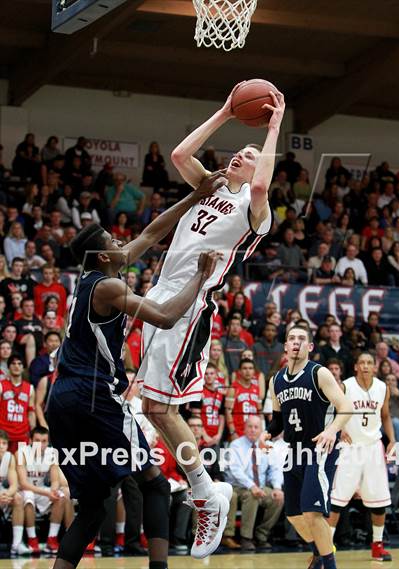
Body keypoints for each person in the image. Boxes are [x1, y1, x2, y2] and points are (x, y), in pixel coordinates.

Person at [46, 173, 225, 569]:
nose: (120, 243)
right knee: (155, 484)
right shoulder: (108, 288)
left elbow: (150, 232)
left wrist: (195, 196)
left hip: (60, 401)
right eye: (113, 241)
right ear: (105, 256)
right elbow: (162, 317)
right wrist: (199, 276)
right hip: (93, 397)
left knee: (92, 506)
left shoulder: (91, 279)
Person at [136, 85, 284, 559]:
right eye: (240, 151)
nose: (242, 155)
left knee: (161, 409)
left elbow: (261, 185)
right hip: (159, 294)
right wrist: (224, 112)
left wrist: (276, 123)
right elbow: (181, 153)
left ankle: (205, 494)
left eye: (251, 153)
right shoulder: (213, 187)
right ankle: (206, 491)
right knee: (154, 410)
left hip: (191, 303)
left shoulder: (253, 212)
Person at [264, 325, 352, 569]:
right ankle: (321, 550)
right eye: (291, 338)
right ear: (285, 346)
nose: (296, 342)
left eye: (302, 339)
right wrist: (266, 434)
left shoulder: (319, 373)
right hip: (294, 451)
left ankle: (327, 564)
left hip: (320, 449)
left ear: (310, 347)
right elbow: (278, 421)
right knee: (294, 515)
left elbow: (346, 407)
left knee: (313, 513)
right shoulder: (276, 381)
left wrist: (331, 430)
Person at [329, 352, 396, 562]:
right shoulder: (346, 386)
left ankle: (377, 547)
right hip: (350, 448)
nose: (366, 366)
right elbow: (331, 410)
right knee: (337, 502)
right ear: (356, 366)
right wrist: (339, 430)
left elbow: (385, 416)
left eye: (369, 363)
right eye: (362, 363)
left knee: (379, 503)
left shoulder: (382, 388)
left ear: (374, 367)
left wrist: (392, 440)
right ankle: (325, 549)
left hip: (373, 448)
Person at [224, 416, 284, 551]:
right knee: (252, 495)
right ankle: (246, 538)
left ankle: (261, 535)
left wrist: (277, 487)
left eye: (256, 427)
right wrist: (252, 486)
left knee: (278, 498)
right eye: (250, 426)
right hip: (239, 486)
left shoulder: (267, 445)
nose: (253, 430)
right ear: (245, 428)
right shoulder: (236, 445)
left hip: (260, 486)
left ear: (262, 430)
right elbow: (235, 470)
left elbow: (275, 469)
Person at [16, 426, 68, 554]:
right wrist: (47, 492)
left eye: (44, 441)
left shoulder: (52, 453)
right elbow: (23, 483)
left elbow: (55, 481)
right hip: (25, 490)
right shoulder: (21, 452)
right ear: (30, 441)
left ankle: (52, 539)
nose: (41, 444)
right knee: (28, 496)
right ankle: (32, 539)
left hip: (41, 490)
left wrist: (53, 491)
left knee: (60, 496)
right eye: (37, 440)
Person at [0, 430, 31, 556]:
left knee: (17, 497)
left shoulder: (10, 457)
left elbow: (14, 484)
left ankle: (16, 545)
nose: (1, 446)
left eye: (4, 443)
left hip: (2, 493)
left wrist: (7, 494)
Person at [0, 354, 36, 453]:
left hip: (22, 435)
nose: (16, 366)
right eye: (13, 363)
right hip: (3, 434)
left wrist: (32, 434)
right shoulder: (1, 385)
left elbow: (31, 412)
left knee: (21, 465)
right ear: (8, 367)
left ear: (23, 367)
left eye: (19, 364)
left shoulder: (30, 388)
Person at [225, 359, 262, 440]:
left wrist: (261, 430)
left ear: (254, 371)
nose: (248, 371)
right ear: (240, 371)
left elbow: (259, 412)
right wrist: (233, 432)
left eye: (250, 368)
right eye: (245, 368)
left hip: (253, 433)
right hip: (238, 433)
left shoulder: (256, 388)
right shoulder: (233, 388)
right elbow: (228, 412)